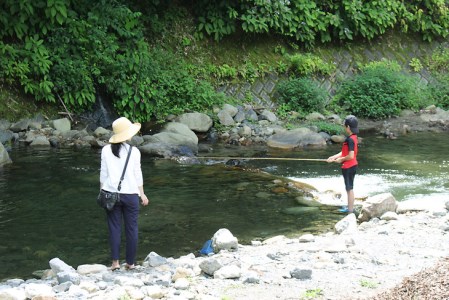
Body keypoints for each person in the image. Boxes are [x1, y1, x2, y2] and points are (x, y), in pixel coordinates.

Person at [100, 117, 149, 271]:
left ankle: (115, 263)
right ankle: (130, 263)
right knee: (132, 229)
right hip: (130, 195)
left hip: (110, 194)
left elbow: (103, 174)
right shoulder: (134, 152)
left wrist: (102, 192)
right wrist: (142, 194)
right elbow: (137, 174)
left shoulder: (105, 150)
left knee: (114, 228)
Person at [327, 115, 359, 213]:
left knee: (349, 189)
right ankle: (350, 208)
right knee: (349, 188)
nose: (344, 128)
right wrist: (334, 157)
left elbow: (350, 155)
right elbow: (344, 152)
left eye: (344, 126)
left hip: (349, 167)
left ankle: (350, 211)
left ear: (348, 127)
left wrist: (341, 160)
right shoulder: (353, 137)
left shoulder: (350, 139)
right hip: (352, 165)